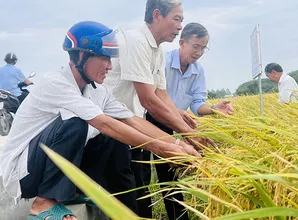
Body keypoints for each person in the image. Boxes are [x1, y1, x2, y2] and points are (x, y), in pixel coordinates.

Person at [0, 21, 200, 220]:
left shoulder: (99, 91)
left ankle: (78, 190)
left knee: (111, 136)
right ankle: (42, 203)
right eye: (104, 58)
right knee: (77, 124)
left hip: (48, 165)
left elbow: (132, 120)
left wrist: (177, 144)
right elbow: (103, 123)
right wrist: (160, 149)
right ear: (81, 56)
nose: (110, 66)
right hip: (24, 173)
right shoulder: (56, 83)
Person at [106, 0, 214, 219]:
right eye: (176, 19)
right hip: (111, 127)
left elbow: (162, 97)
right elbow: (148, 99)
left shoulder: (157, 51)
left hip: (132, 124)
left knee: (141, 189)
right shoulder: (136, 41)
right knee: (131, 192)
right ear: (157, 15)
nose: (179, 26)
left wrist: (190, 131)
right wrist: (185, 135)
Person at [145, 22, 234, 220]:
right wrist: (175, 113)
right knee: (141, 171)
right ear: (182, 42)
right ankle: (142, 215)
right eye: (196, 46)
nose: (199, 52)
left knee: (170, 174)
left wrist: (214, 109)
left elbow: (197, 104)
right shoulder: (163, 61)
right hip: (149, 117)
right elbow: (149, 95)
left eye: (203, 48)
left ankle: (178, 217)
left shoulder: (198, 71)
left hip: (174, 123)